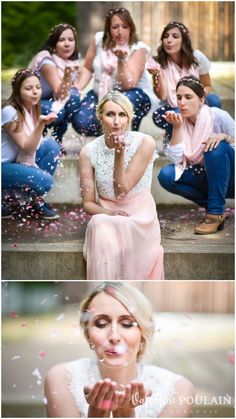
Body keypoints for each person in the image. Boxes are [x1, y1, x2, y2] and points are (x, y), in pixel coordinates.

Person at [45, 281, 195, 417]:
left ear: (142, 334)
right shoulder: (62, 378)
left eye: (127, 324)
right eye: (102, 323)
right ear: (88, 334)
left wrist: (125, 415)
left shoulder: (178, 389)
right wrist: (97, 414)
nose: (114, 336)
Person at [79, 91, 164, 280]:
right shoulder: (88, 152)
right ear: (100, 117)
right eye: (110, 114)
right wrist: (108, 213)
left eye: (122, 114)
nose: (117, 122)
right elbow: (88, 204)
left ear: (129, 118)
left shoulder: (145, 142)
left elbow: (121, 190)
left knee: (108, 225)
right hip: (107, 213)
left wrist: (120, 153)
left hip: (139, 215)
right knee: (98, 223)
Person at [158, 76, 234, 235]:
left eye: (188, 97)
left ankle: (214, 214)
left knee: (215, 146)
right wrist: (177, 128)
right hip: (206, 178)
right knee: (166, 175)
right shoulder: (177, 120)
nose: (182, 102)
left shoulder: (218, 116)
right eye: (179, 97)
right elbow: (177, 161)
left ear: (201, 99)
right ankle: (214, 205)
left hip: (230, 176)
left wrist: (224, 137)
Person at [72, 7, 159, 136]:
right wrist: (77, 87)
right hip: (101, 93)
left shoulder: (139, 48)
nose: (120, 32)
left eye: (125, 27)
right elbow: (88, 68)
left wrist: (121, 60)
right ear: (108, 29)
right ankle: (108, 134)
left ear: (131, 29)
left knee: (123, 103)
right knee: (81, 122)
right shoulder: (99, 40)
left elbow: (128, 84)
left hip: (133, 94)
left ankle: (127, 136)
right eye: (115, 27)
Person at [148, 21, 221, 147]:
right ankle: (175, 138)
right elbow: (162, 96)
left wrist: (194, 100)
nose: (169, 40)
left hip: (196, 101)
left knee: (214, 100)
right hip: (173, 105)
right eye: (166, 36)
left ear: (184, 40)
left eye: (175, 36)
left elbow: (208, 86)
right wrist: (157, 75)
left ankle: (207, 137)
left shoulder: (196, 57)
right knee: (162, 115)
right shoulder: (158, 62)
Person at [2, 68, 61, 220]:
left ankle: (35, 202)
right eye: (28, 88)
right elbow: (27, 148)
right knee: (44, 182)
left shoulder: (31, 110)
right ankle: (4, 198)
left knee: (51, 146)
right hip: (4, 167)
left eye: (38, 87)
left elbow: (36, 146)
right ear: (17, 91)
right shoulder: (9, 111)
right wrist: (41, 124)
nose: (35, 92)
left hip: (15, 163)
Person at [28, 23, 81, 149]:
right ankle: (38, 138)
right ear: (54, 43)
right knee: (60, 111)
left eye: (71, 39)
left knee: (73, 98)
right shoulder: (46, 60)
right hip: (31, 103)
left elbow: (77, 84)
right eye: (61, 40)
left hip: (49, 100)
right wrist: (68, 75)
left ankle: (58, 139)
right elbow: (60, 93)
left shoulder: (72, 60)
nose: (67, 44)